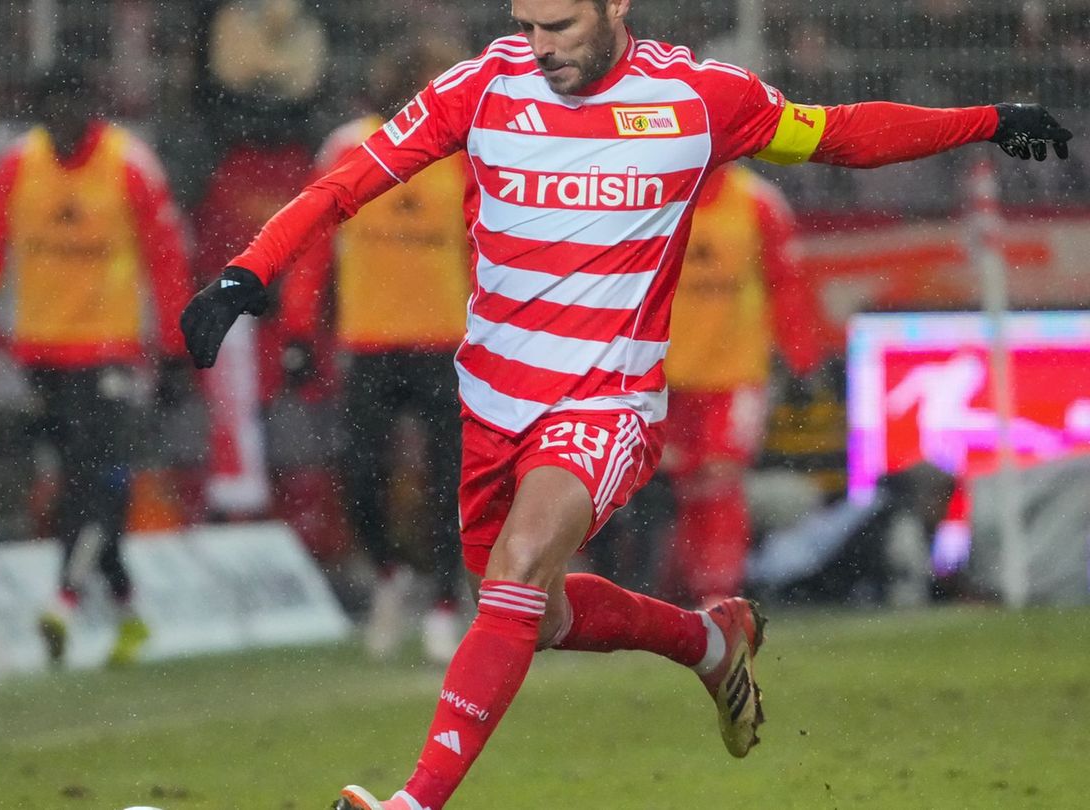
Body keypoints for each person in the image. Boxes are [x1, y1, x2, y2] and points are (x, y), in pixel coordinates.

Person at [179, 0, 1072, 807]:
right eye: (527, 25)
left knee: (521, 567)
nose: (541, 48)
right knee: (536, 615)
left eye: (560, 27)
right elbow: (347, 185)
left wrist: (986, 121)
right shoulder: (483, 87)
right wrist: (243, 273)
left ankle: (413, 803)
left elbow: (839, 132)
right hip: (491, 403)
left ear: (616, 7)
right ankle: (706, 642)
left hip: (607, 403)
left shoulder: (697, 97)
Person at [0, 62, 194, 668]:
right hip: (42, 355)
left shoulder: (129, 164)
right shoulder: (17, 166)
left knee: (93, 479)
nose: (63, 116)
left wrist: (177, 350)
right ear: (38, 110)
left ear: (92, 107)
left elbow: (166, 260)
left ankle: (62, 598)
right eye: (52, 105)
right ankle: (129, 613)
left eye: (74, 103)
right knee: (76, 482)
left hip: (108, 352)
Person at [279, 38, 473, 663]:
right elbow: (311, 242)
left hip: (448, 344)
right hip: (368, 343)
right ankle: (393, 576)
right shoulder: (346, 149)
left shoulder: (464, 152)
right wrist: (298, 329)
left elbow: (489, 248)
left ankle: (445, 600)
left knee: (450, 482)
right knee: (360, 477)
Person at [657, 162, 829, 607]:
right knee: (687, 484)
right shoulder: (658, 196)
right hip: (666, 376)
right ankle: (685, 592)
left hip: (734, 376)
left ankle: (718, 594)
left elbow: (787, 285)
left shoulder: (757, 203)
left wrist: (801, 357)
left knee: (720, 476)